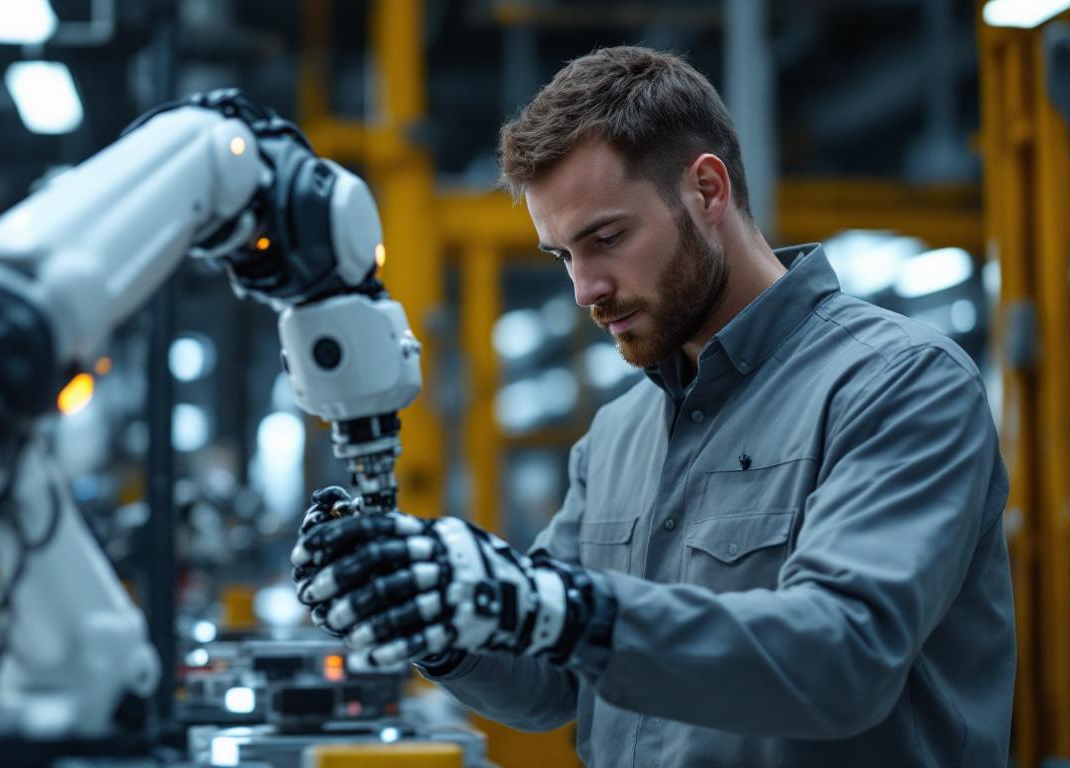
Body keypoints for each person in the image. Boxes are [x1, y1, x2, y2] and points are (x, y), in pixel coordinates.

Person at [291, 46, 1014, 767]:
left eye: (606, 239)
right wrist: (430, 617)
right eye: (562, 257)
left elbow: (842, 658)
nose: (584, 290)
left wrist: (562, 608)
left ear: (706, 191)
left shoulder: (898, 385)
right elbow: (554, 684)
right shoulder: (615, 435)